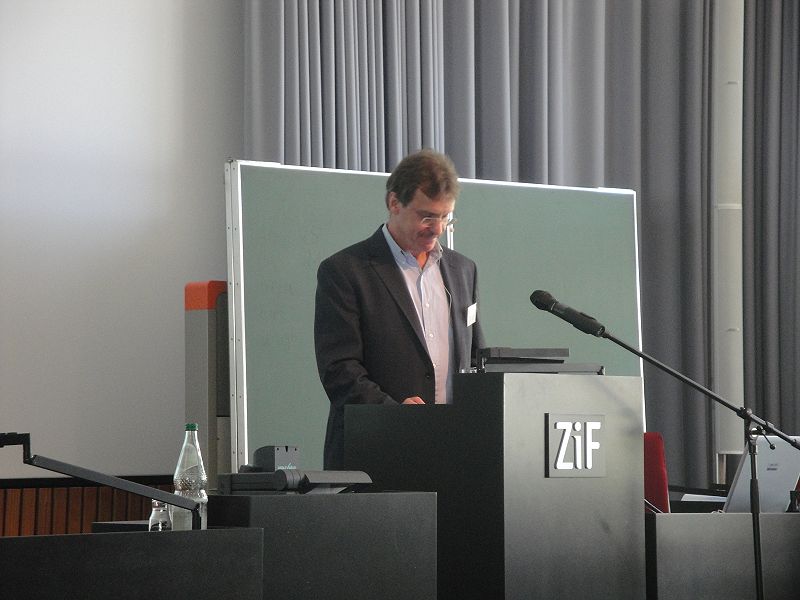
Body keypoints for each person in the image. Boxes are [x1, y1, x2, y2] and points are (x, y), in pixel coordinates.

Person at [314, 148, 485, 469]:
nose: (437, 228)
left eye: (445, 217)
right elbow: (339, 369)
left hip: (453, 454)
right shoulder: (346, 271)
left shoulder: (463, 270)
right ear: (394, 203)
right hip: (374, 451)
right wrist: (395, 415)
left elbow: (476, 359)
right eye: (427, 216)